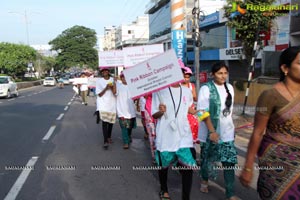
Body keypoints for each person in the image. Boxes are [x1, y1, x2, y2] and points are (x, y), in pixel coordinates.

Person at [239, 46, 300, 200]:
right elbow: (258, 132)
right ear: (285, 68)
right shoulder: (269, 95)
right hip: (275, 161)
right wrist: (248, 167)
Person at [197, 61, 237, 200]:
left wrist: (232, 127)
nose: (223, 76)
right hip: (210, 132)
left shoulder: (230, 88)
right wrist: (212, 131)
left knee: (229, 162)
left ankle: (230, 193)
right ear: (212, 74)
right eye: (220, 73)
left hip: (227, 133)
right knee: (207, 159)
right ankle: (204, 180)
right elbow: (202, 112)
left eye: (225, 73)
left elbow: (229, 112)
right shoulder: (206, 89)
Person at [152, 81, 198, 200]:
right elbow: (154, 115)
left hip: (184, 136)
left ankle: (186, 197)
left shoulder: (187, 91)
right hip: (165, 136)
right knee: (163, 166)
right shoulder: (159, 91)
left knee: (188, 167)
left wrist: (193, 111)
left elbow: (186, 108)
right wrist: (161, 112)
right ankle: (164, 190)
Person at [114, 72, 137, 149]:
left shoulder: (132, 87)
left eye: (126, 77)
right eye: (123, 77)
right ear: (121, 78)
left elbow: (136, 97)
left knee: (129, 127)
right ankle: (125, 142)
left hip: (131, 111)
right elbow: (114, 92)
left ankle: (129, 136)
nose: (124, 79)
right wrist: (114, 82)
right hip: (122, 111)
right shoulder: (119, 86)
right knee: (124, 127)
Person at [95, 67, 117, 149]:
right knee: (104, 123)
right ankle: (105, 141)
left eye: (106, 71)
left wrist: (112, 86)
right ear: (101, 72)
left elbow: (115, 92)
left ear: (108, 72)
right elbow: (99, 94)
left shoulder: (113, 80)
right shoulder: (99, 81)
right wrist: (106, 88)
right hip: (103, 105)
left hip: (112, 104)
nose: (105, 72)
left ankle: (109, 136)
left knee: (111, 122)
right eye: (103, 71)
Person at [179, 60, 199, 144]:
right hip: (181, 111)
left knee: (194, 126)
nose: (186, 79)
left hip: (191, 111)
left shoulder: (191, 86)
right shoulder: (178, 86)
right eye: (185, 77)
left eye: (188, 77)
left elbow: (195, 98)